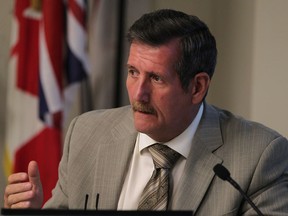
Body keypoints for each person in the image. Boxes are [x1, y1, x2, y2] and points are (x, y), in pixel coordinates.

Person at [4, 9, 288, 215]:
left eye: (156, 78)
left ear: (197, 87)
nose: (138, 93)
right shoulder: (86, 134)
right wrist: (33, 214)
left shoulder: (259, 158)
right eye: (132, 72)